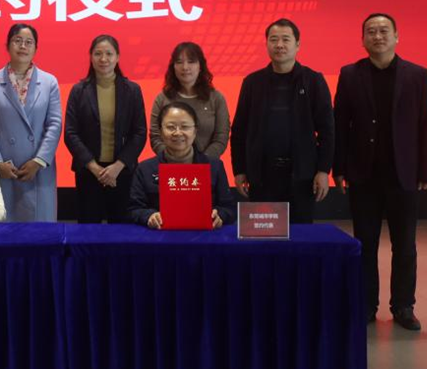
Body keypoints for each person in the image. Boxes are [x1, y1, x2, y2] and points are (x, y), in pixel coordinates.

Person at [334, 13, 427, 331]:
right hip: (363, 174)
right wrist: (339, 168)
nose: (377, 36)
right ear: (362, 39)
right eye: (371, 31)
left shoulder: (417, 75)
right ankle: (366, 304)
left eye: (383, 31)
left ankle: (403, 306)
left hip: (403, 174)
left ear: (396, 36)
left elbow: (426, 124)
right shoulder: (350, 74)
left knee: (404, 245)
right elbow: (341, 125)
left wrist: (426, 170)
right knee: (364, 243)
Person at [231, 18, 334, 223]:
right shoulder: (252, 82)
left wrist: (323, 170)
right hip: (262, 175)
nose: (279, 45)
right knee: (264, 231)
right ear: (266, 44)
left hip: (302, 174)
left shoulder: (313, 80)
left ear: (298, 44)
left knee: (300, 234)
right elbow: (239, 130)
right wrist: (239, 170)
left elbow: (328, 130)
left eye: (286, 39)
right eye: (273, 39)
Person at [0, 24, 63, 221]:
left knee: (40, 229)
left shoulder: (49, 82)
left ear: (36, 48)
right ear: (7, 45)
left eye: (28, 42)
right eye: (17, 41)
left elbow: (54, 124)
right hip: (6, 167)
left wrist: (38, 161)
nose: (23, 46)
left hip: (38, 168)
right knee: (5, 224)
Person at [64, 34, 147, 223]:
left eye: (109, 54)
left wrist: (118, 166)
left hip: (121, 173)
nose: (103, 59)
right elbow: (70, 133)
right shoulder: (79, 91)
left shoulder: (132, 90)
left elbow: (139, 132)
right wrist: (94, 168)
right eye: (98, 54)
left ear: (117, 57)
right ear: (90, 57)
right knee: (88, 230)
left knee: (121, 230)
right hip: (88, 172)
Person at [129, 101, 235, 229]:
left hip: (203, 236)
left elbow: (229, 208)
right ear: (161, 131)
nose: (178, 133)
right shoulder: (145, 169)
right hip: (160, 236)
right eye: (171, 127)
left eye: (185, 127)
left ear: (195, 131)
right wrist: (149, 216)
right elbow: (134, 209)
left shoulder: (214, 166)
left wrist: (220, 215)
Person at [149, 42, 230, 160]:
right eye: (179, 62)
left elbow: (221, 137)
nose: (185, 67)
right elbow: (156, 136)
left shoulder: (216, 98)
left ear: (200, 66)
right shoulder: (162, 98)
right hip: (170, 166)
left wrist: (200, 162)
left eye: (191, 62)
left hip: (207, 165)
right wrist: (175, 160)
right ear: (173, 67)